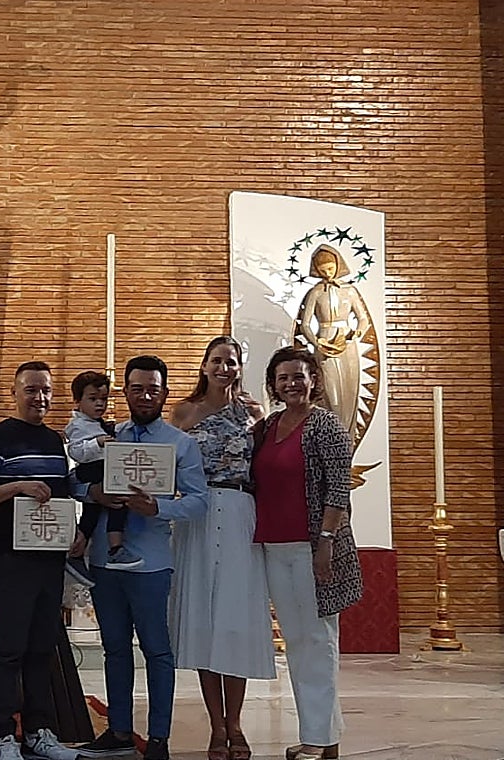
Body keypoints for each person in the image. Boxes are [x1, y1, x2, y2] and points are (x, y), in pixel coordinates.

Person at [80, 355, 207, 760]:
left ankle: (158, 737)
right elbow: (73, 479)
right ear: (126, 392)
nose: (145, 395)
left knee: (156, 650)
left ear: (165, 393)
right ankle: (118, 728)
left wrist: (160, 509)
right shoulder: (108, 436)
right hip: (104, 557)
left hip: (151, 561)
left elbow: (199, 502)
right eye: (137, 388)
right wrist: (92, 494)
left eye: (153, 388)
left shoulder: (180, 443)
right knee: (114, 648)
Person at [251, 347, 362, 760]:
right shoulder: (268, 427)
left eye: (299, 376)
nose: (291, 384)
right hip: (275, 545)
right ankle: (322, 735)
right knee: (299, 643)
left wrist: (326, 542)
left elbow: (338, 488)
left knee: (316, 643)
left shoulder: (327, 425)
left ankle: (318, 740)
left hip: (312, 546)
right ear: (273, 384)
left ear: (313, 378)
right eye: (283, 378)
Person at [168, 338, 276, 760]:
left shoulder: (253, 414)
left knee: (235, 620)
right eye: (216, 361)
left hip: (239, 514)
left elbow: (264, 471)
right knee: (203, 620)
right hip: (195, 515)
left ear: (239, 367)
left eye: (231, 362)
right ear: (204, 366)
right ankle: (216, 726)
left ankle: (236, 722)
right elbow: (165, 464)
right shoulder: (184, 412)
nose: (224, 368)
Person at [0, 361, 83, 760]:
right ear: (15, 393)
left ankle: (39, 730)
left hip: (48, 559)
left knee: (41, 646)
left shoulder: (56, 441)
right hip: (10, 558)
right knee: (9, 647)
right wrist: (16, 486)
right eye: (32, 390)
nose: (40, 398)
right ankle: (2, 733)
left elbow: (66, 494)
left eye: (47, 391)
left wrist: (78, 530)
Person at [293, 245, 375, 440]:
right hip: (324, 343)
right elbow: (304, 324)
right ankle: (331, 440)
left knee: (350, 391)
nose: (327, 274)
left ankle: (347, 443)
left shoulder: (350, 291)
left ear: (338, 265)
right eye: (322, 271)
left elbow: (363, 318)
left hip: (347, 344)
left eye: (330, 269)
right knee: (331, 394)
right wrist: (317, 342)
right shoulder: (316, 292)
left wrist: (355, 334)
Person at [63, 370, 141, 569]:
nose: (99, 404)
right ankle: (115, 547)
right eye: (93, 399)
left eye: (104, 399)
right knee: (117, 500)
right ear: (77, 400)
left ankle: (78, 551)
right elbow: (76, 452)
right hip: (91, 470)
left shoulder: (99, 424)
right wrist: (96, 444)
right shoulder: (78, 425)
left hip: (101, 470)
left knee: (93, 514)